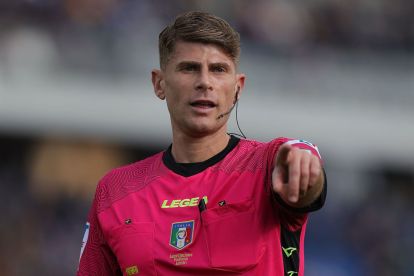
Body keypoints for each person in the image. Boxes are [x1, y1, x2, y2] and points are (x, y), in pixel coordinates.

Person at [77, 11, 326, 276]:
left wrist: (305, 171)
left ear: (238, 88)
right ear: (159, 83)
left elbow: (302, 174)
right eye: (189, 68)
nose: (204, 82)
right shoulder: (115, 191)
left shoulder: (268, 164)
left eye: (218, 70)